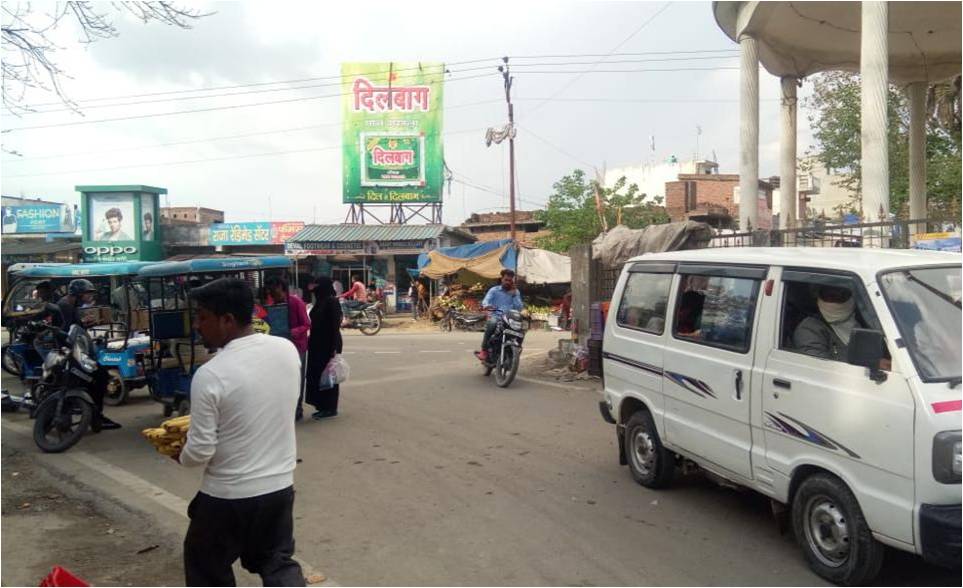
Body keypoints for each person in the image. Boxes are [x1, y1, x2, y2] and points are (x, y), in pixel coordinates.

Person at [177, 278, 304, 586]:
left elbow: (199, 452)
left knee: (205, 564)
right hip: (278, 487)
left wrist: (180, 453)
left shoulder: (211, 374)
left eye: (202, 317)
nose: (197, 325)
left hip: (228, 495)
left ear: (227, 320)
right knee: (275, 561)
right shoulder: (286, 350)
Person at [58, 279, 120, 431]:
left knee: (96, 378)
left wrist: (85, 325)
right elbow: (65, 331)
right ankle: (95, 416)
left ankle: (94, 415)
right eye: (87, 294)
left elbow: (73, 328)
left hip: (76, 352)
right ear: (78, 294)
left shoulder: (70, 305)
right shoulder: (64, 306)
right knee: (99, 377)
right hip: (70, 354)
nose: (89, 298)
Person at [266, 277, 311, 421]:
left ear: (280, 287)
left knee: (297, 379)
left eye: (273, 290)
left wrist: (294, 332)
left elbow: (306, 324)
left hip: (297, 346)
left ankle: (297, 410)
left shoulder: (296, 302)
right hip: (277, 347)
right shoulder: (271, 304)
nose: (272, 294)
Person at [305, 276, 343, 421]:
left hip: (329, 344)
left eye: (317, 285)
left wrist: (333, 349)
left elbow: (335, 326)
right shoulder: (320, 301)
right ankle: (321, 406)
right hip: (317, 344)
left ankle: (330, 407)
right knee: (317, 374)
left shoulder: (332, 302)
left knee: (328, 376)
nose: (315, 289)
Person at [793, 284, 861, 361]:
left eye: (841, 294)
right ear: (819, 297)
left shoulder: (865, 317)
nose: (835, 298)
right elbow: (819, 367)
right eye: (829, 295)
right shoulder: (809, 329)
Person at [475, 269, 524, 362]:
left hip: (510, 319)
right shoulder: (494, 290)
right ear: (502, 279)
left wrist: (514, 296)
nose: (508, 282)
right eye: (506, 279)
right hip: (496, 316)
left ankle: (516, 351)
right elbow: (486, 301)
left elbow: (519, 307)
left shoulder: (515, 292)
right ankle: (484, 351)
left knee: (521, 330)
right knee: (492, 324)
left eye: (510, 280)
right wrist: (486, 306)